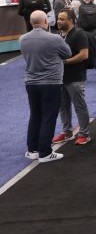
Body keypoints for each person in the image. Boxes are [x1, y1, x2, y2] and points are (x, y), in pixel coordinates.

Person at [21, 10, 72, 163]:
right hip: (51, 82)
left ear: (30, 22)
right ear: (45, 21)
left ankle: (32, 150)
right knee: (49, 116)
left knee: (35, 115)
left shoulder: (23, 39)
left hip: (31, 82)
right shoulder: (55, 38)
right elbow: (68, 53)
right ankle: (45, 152)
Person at [52, 10, 93, 147]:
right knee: (63, 106)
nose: (58, 21)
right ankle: (67, 132)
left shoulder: (79, 34)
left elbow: (84, 54)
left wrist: (65, 62)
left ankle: (84, 134)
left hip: (75, 77)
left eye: (62, 19)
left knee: (79, 106)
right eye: (58, 18)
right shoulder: (59, 35)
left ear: (71, 20)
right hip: (60, 77)